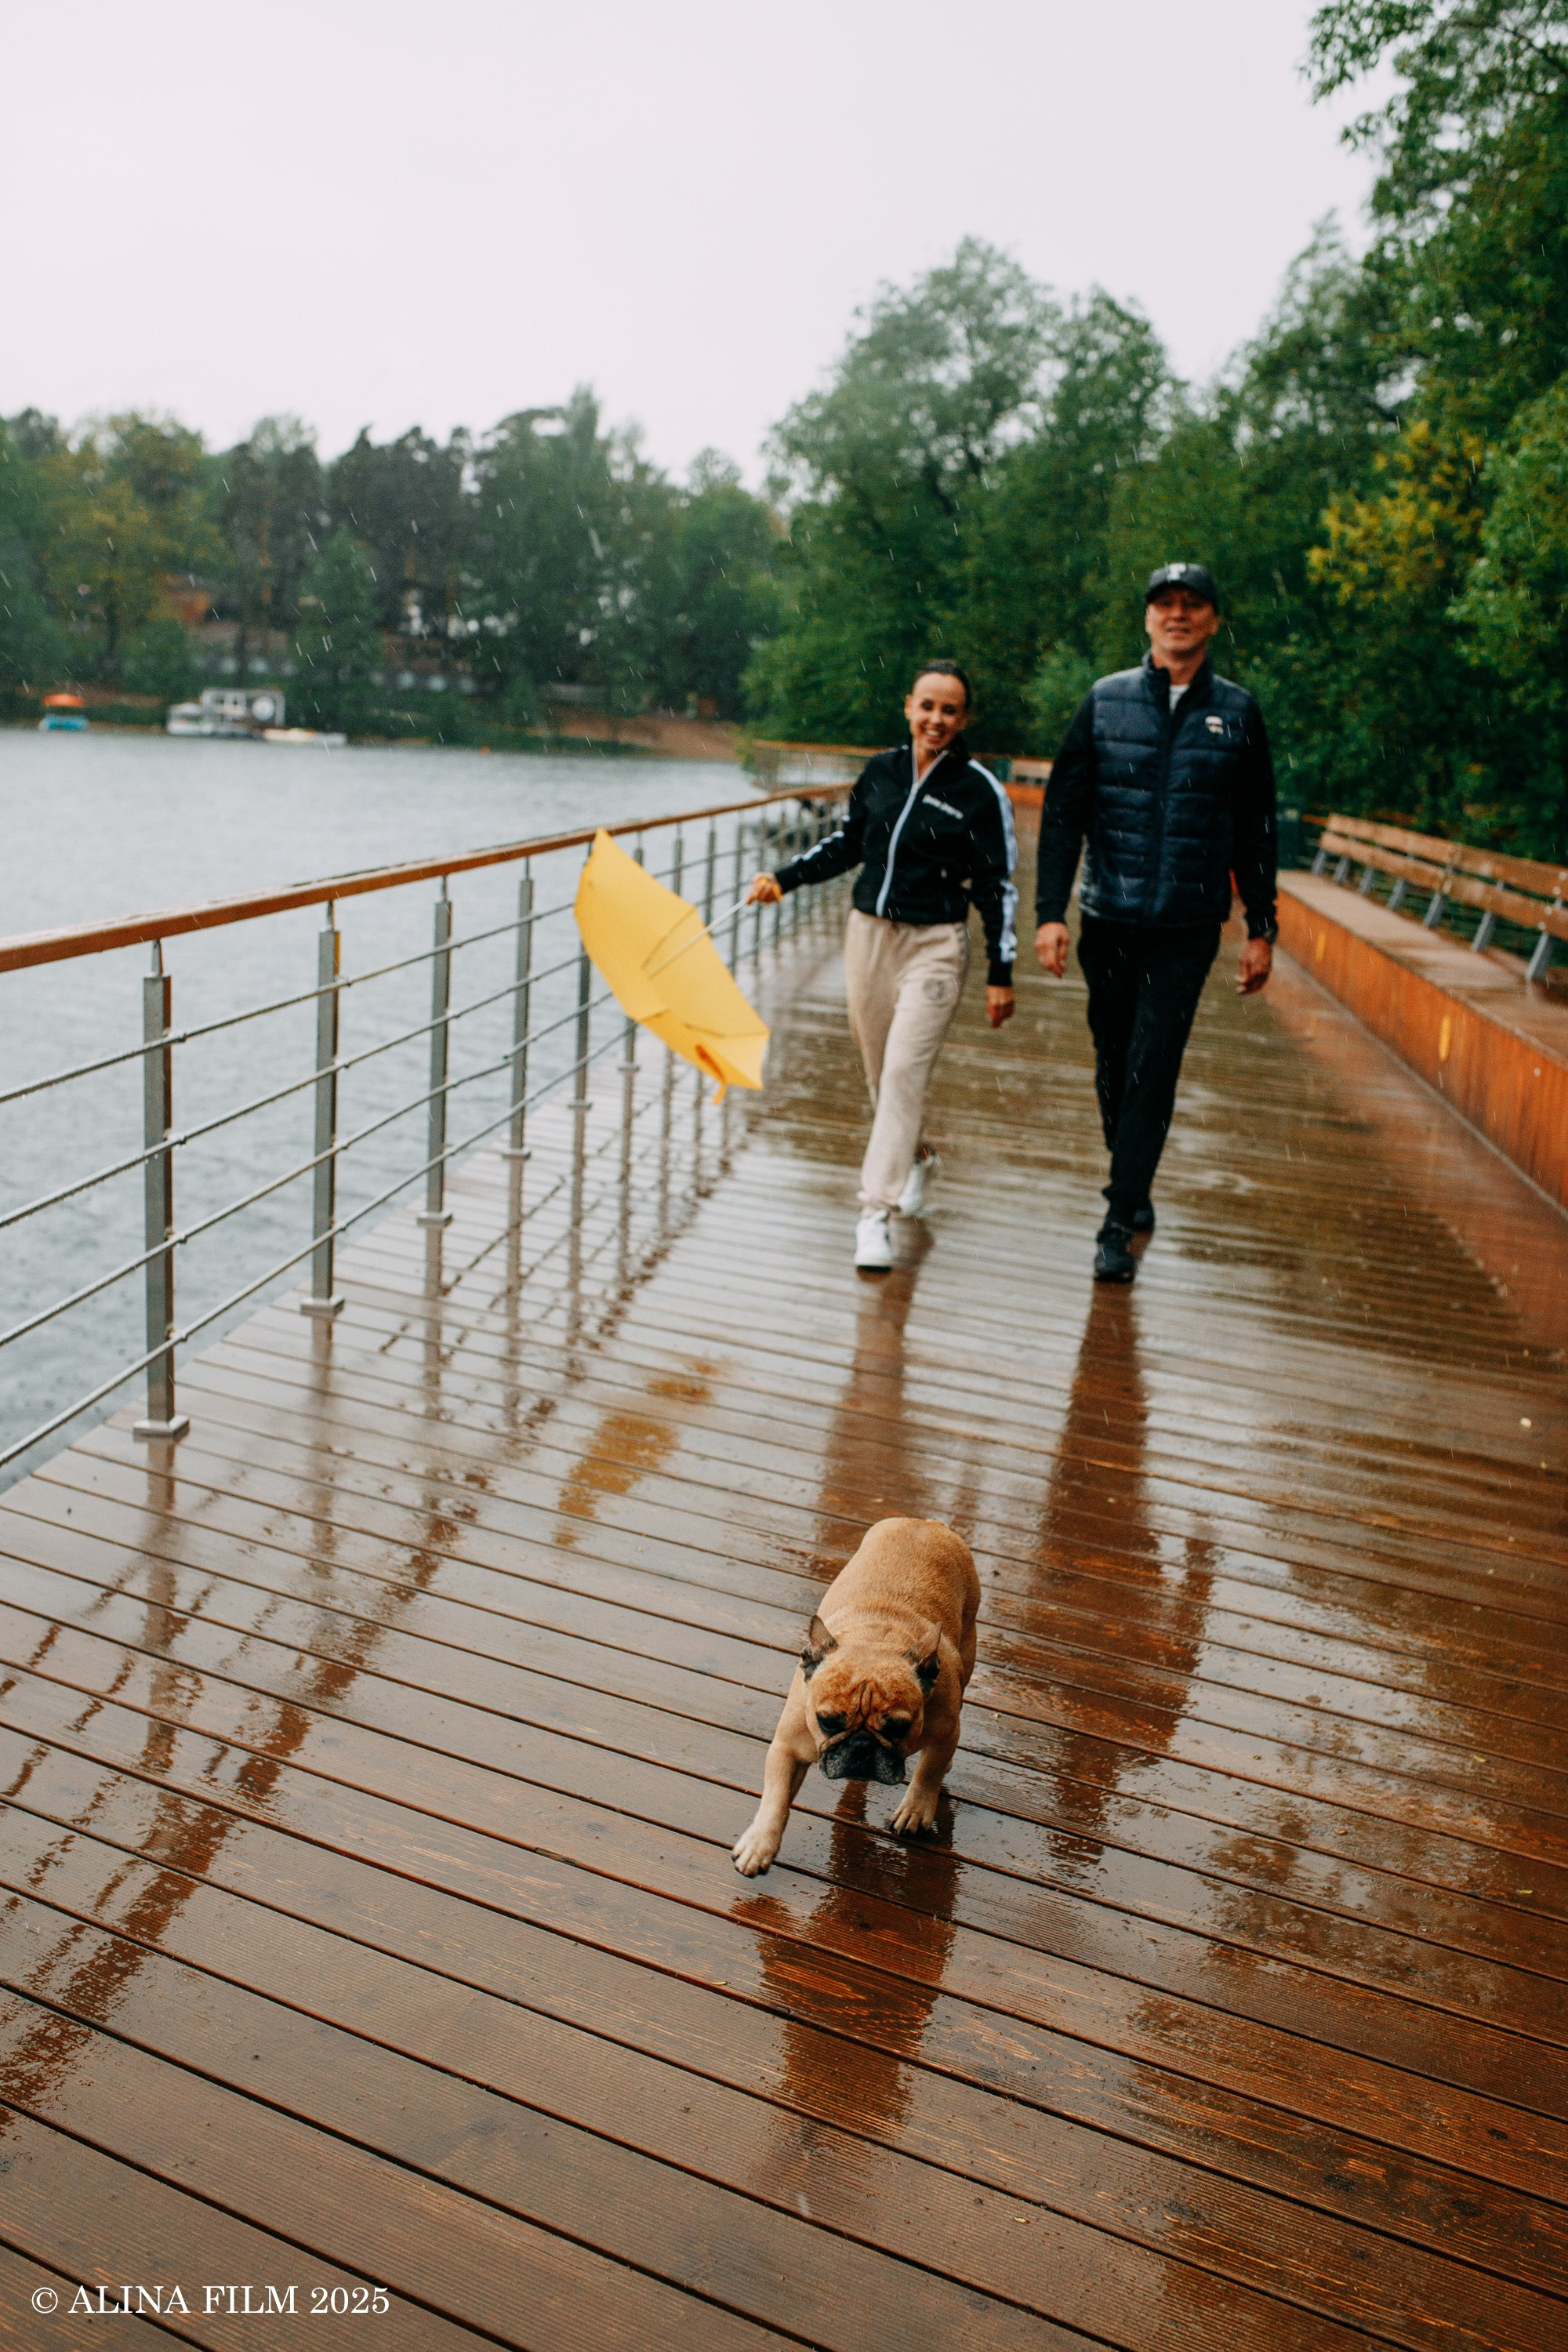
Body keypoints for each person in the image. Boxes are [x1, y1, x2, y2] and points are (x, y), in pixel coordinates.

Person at [1035, 562, 1277, 1283]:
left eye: (1193, 605)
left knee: (1152, 1065)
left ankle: (1118, 1218)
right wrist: (1051, 913)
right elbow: (1063, 815)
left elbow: (1257, 827)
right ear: (1148, 619)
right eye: (1166, 605)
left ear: (1212, 620)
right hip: (1109, 917)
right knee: (1113, 1062)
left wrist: (1260, 926)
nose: (1179, 616)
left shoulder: (1237, 712)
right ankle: (1133, 1175)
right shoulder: (1105, 701)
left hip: (1186, 926)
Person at [747, 661, 1017, 1270]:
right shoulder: (881, 772)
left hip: (936, 945)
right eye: (927, 706)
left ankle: (875, 1212)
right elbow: (846, 844)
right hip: (867, 936)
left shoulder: (979, 792)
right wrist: (783, 881)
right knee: (879, 1076)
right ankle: (917, 1158)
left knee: (902, 1075)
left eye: (950, 710)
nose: (936, 720)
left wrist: (1002, 971)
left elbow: (997, 887)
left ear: (964, 718)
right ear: (908, 707)